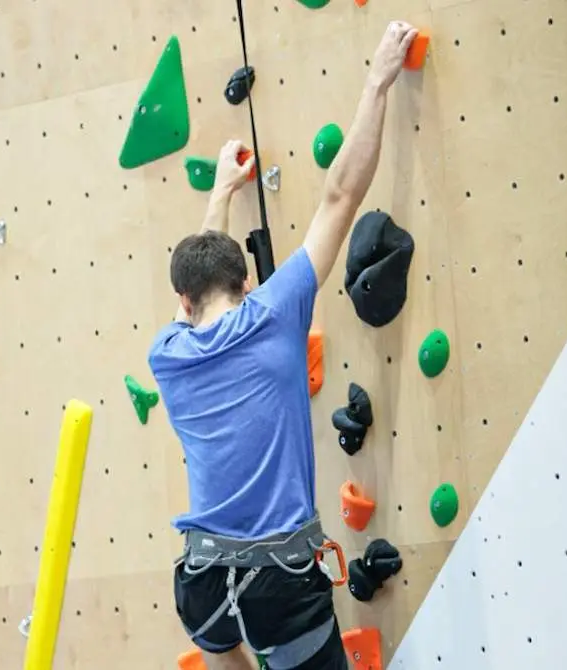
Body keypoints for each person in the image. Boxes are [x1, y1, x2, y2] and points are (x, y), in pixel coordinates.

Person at [148, 21, 419, 670]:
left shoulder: (168, 354)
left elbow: (195, 275)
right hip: (277, 583)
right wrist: (376, 81)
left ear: (183, 302)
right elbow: (339, 194)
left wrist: (218, 193)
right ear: (247, 281)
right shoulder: (276, 309)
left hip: (203, 585)